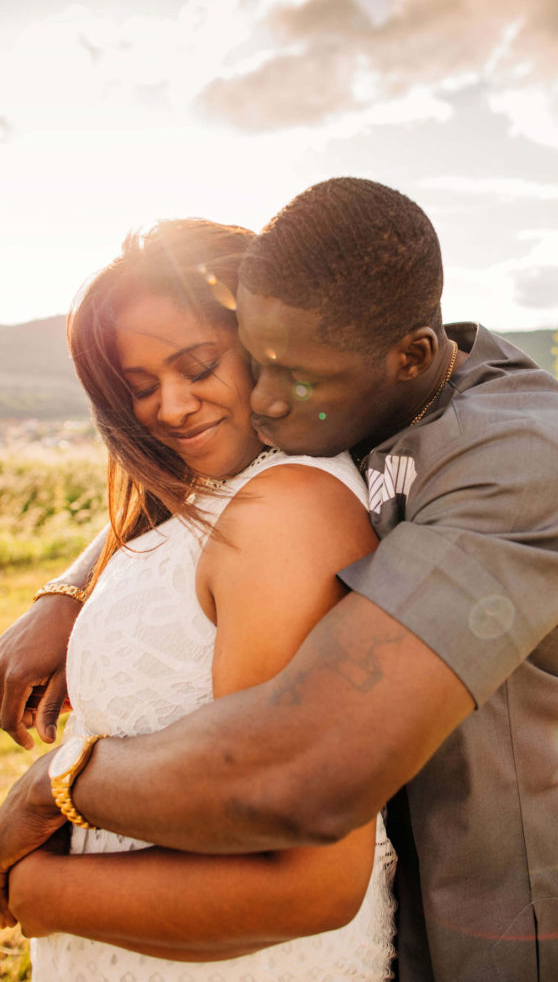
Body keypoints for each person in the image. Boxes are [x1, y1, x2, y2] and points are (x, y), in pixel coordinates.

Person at [0, 178, 558, 982]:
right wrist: (75, 588)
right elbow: (221, 487)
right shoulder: (343, 388)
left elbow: (306, 773)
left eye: (275, 373)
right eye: (251, 361)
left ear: (410, 358)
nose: (257, 401)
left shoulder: (515, 465)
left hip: (473, 901)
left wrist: (49, 796)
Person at [0, 217, 397, 980]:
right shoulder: (210, 492)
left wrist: (29, 882)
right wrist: (68, 592)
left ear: (267, 344)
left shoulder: (286, 518)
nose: (171, 408)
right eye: (139, 386)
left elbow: (307, 883)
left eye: (198, 365)